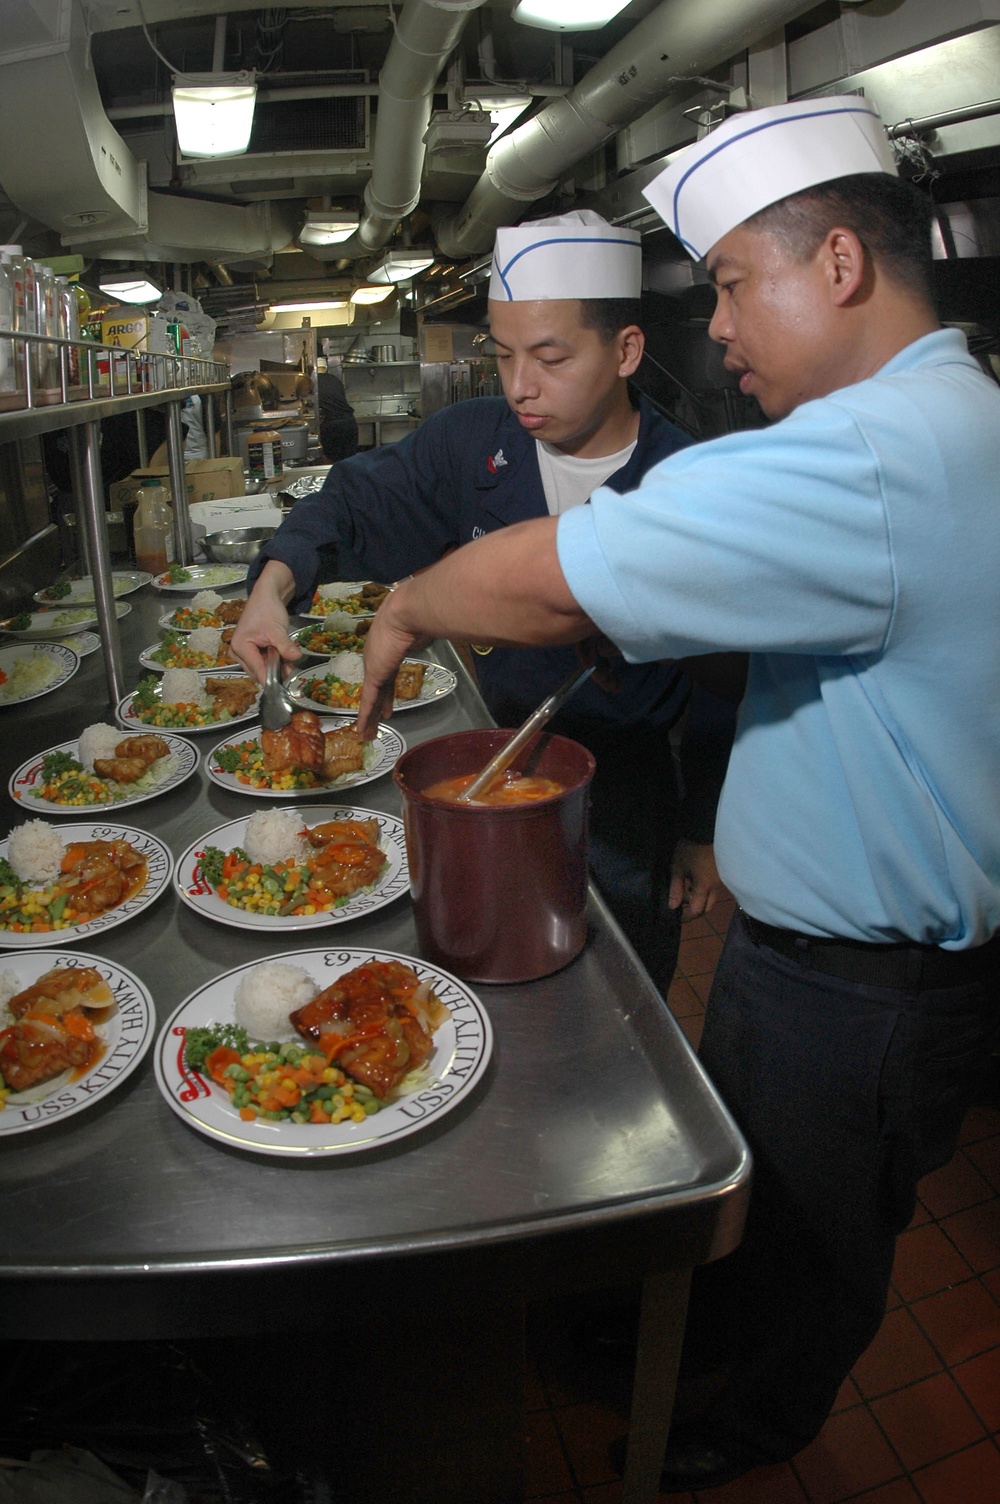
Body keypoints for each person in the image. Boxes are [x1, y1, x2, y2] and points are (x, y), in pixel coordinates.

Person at [352, 98, 1000, 1491]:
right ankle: (714, 1346)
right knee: (768, 1200)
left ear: (837, 265)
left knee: (820, 1235)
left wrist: (407, 601)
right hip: (823, 960)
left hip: (865, 986)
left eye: (727, 283)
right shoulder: (952, 413)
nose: (720, 326)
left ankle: (750, 1427)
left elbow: (546, 578)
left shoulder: (873, 456)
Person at [231, 211, 739, 989]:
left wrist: (700, 830)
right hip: (494, 764)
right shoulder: (474, 440)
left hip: (627, 799)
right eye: (503, 356)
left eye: (550, 357)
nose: (520, 387)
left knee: (623, 992)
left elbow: (722, 689)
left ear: (626, 350)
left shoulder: (690, 480)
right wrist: (274, 583)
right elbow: (360, 501)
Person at [315, 367, 359, 463]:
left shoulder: (312, 382)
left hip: (331, 425)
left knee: (333, 463)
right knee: (349, 461)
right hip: (349, 422)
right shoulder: (333, 379)